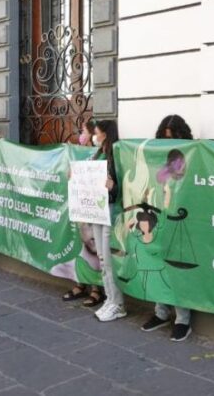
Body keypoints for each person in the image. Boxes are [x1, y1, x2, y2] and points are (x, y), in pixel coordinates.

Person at [139, 114, 194, 341]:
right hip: (161, 220)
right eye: (164, 137)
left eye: (173, 137)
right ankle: (161, 313)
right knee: (159, 268)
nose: (167, 141)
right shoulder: (162, 165)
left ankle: (183, 320)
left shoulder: (190, 157)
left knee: (177, 270)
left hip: (181, 223)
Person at [62, 118, 106, 307]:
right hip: (81, 203)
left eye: (86, 131)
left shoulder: (101, 153)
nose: (83, 135)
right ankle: (80, 283)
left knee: (95, 248)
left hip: (95, 206)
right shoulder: (78, 151)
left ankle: (97, 289)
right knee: (82, 245)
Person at [86, 120, 126, 322]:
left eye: (97, 133)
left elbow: (123, 187)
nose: (94, 136)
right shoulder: (98, 153)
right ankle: (110, 299)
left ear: (106, 134)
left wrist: (113, 186)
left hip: (110, 210)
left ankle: (118, 304)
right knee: (102, 259)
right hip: (97, 210)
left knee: (109, 260)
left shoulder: (115, 154)